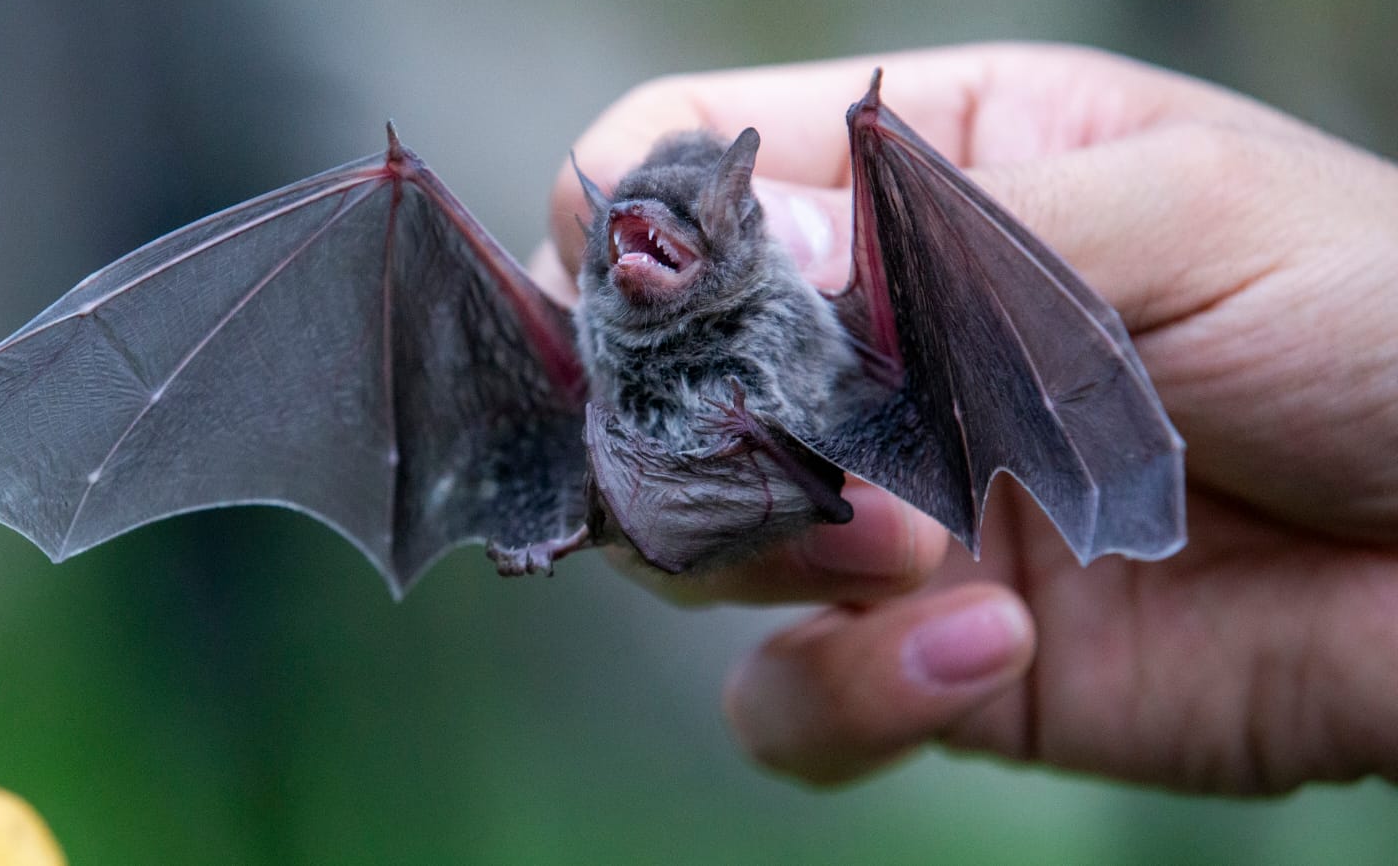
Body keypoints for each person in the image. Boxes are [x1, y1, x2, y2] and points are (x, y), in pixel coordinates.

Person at [528, 43, 1398, 794]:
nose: (637, 244)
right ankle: (592, 517)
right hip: (695, 454)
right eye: (619, 230)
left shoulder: (808, 262)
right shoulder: (589, 321)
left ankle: (625, 507)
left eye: (681, 231)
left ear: (743, 221)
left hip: (810, 429)